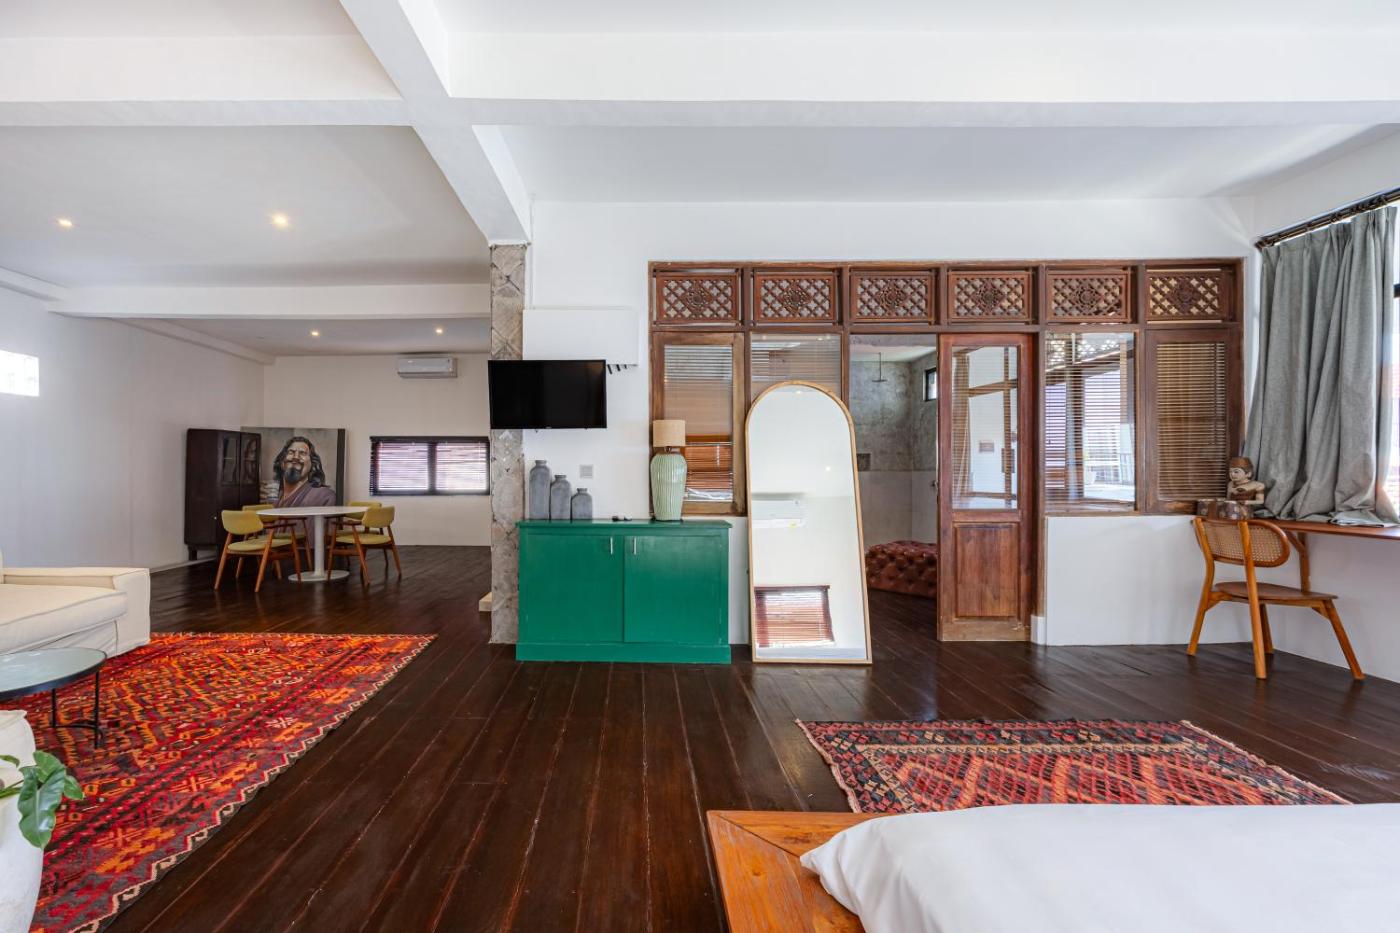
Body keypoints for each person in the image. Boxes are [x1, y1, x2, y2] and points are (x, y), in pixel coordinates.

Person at [274, 436, 337, 507]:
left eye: (302, 453)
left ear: (312, 464)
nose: (296, 457)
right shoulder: (276, 499)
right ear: (282, 462)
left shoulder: (324, 496)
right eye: (291, 452)